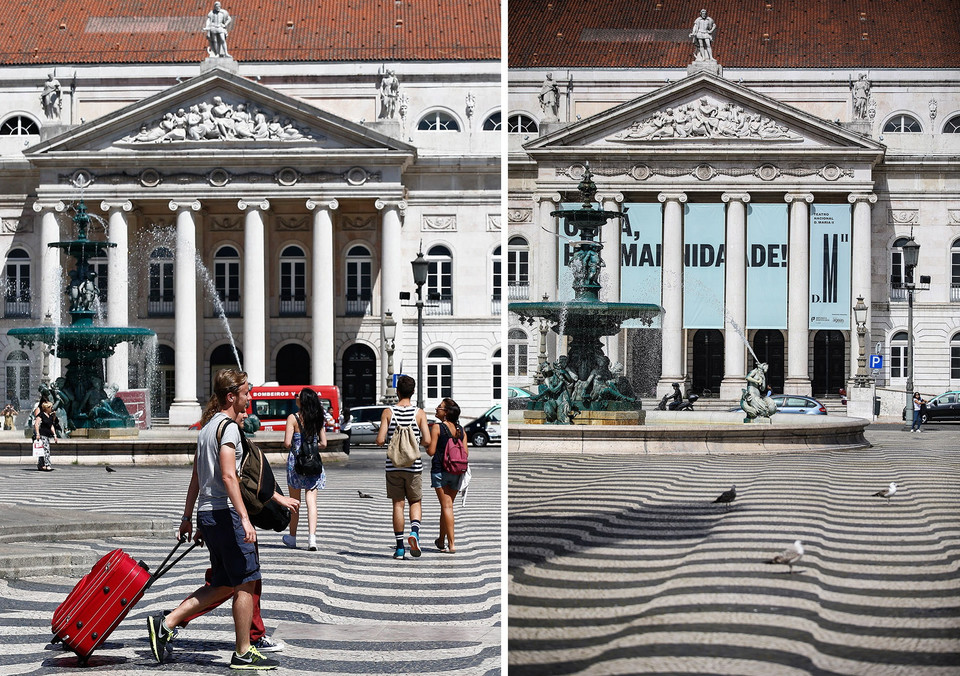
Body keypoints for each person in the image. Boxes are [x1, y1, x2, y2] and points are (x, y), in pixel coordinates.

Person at [146, 368, 299, 669]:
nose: (249, 398)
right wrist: (244, 518)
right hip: (225, 512)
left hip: (208, 512)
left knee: (224, 583)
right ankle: (243, 651)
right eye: (246, 393)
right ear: (231, 396)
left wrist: (190, 517)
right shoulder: (227, 428)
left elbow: (196, 477)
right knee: (246, 581)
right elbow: (229, 477)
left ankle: (167, 623)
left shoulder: (205, 429)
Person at [376, 375, 431, 560]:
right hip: (414, 466)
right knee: (415, 501)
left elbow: (380, 440)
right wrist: (417, 441)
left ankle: (399, 548)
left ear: (397, 391)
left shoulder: (388, 412)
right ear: (413, 392)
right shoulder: (419, 413)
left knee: (397, 505)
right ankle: (414, 533)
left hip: (393, 466)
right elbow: (428, 440)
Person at [281, 387, 327, 551]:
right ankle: (312, 539)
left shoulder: (293, 418)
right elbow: (324, 443)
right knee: (311, 501)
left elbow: (287, 443)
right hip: (313, 462)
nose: (296, 397)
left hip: (296, 463)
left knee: (295, 502)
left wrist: (297, 444)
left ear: (302, 400)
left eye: (297, 396)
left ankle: (292, 537)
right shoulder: (317, 418)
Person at [426, 398, 466, 553]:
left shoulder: (437, 427)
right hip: (457, 471)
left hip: (440, 470)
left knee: (446, 506)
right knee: (446, 507)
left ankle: (452, 544)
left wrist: (426, 444)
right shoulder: (461, 430)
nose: (437, 409)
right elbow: (465, 453)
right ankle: (441, 541)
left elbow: (431, 452)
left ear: (446, 412)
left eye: (440, 407)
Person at [33, 401, 58, 471]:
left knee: (42, 451)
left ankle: (40, 465)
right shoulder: (41, 415)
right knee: (46, 450)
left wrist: (55, 435)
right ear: (46, 408)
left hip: (47, 435)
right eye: (51, 407)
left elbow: (51, 426)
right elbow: (36, 424)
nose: (52, 408)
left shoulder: (50, 416)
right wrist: (37, 434)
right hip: (42, 435)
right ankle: (47, 465)